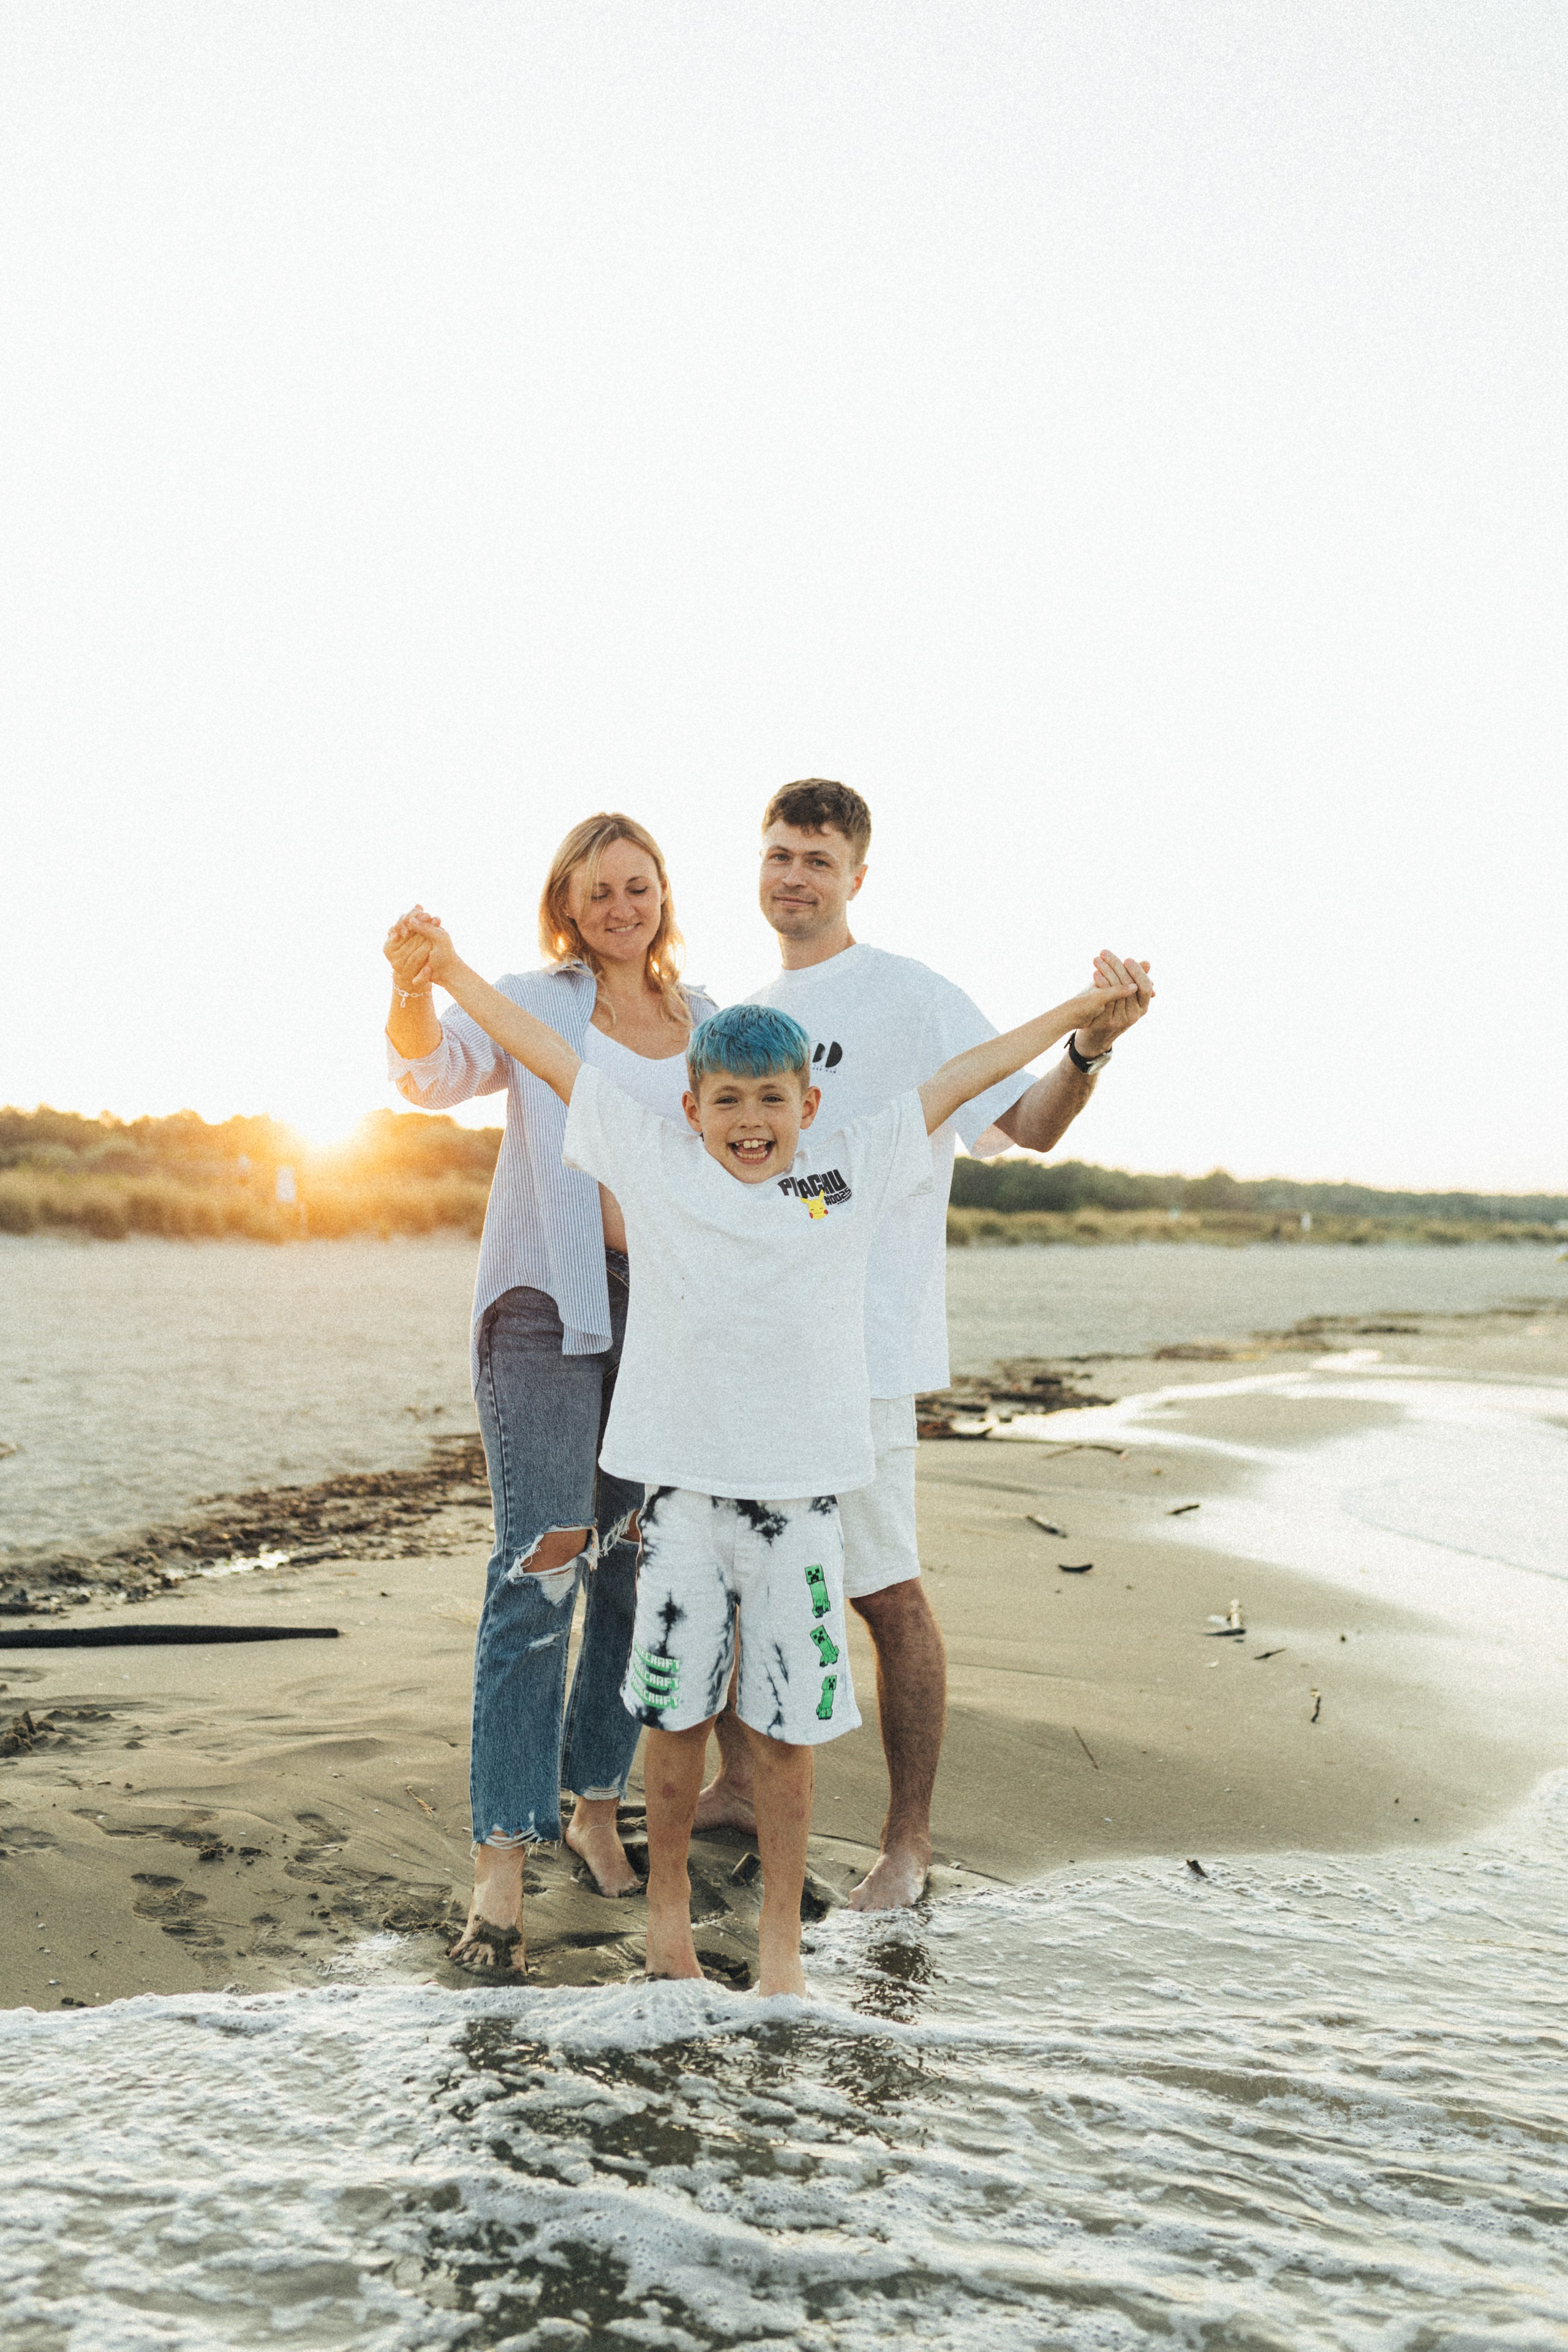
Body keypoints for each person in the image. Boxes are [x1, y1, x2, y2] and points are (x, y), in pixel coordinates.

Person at [385, 928, 1139, 1994]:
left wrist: (1079, 1014)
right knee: (676, 1721)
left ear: (809, 1106)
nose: (750, 1122)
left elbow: (959, 1078)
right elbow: (554, 1060)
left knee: (787, 1735)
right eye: (728, 1102)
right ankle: (669, 1938)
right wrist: (449, 973)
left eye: (771, 1101)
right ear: (690, 1109)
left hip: (800, 1511)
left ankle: (782, 1953)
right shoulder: (655, 1163)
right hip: (681, 1509)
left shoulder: (847, 1173)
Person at [694, 778, 1155, 1908]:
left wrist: (1089, 1051)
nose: (792, 876)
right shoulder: (746, 1012)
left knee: (883, 1591)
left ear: (857, 875)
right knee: (740, 1576)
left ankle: (908, 1844)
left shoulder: (914, 998)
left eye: (815, 858)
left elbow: (1029, 1129)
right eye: (777, 855)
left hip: (865, 1353)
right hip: (753, 1346)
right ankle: (740, 1788)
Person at [382, 814, 716, 1974]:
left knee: (635, 1557)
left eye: (639, 886)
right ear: (568, 908)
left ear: (663, 895)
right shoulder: (538, 1002)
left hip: (663, 1322)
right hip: (544, 1309)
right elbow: (427, 1071)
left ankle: (592, 1799)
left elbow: (752, 1157)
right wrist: (411, 982)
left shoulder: (708, 1026)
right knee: (545, 1562)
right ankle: (503, 1861)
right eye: (598, 892)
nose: (621, 907)